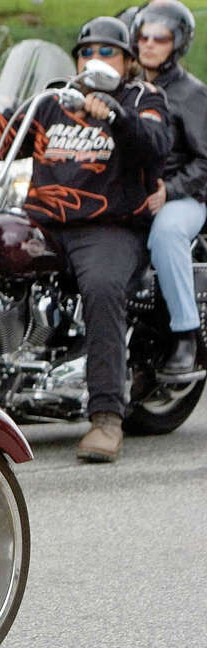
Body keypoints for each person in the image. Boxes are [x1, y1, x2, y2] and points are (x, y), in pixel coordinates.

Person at [0, 16, 171, 462]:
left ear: (126, 61)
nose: (94, 60)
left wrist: (116, 117)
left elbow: (156, 145)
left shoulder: (141, 98)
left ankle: (106, 417)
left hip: (108, 226)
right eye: (87, 51)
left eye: (107, 53)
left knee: (102, 288)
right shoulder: (52, 102)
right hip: (46, 223)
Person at [131, 0, 206, 381]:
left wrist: (170, 191)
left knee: (167, 231)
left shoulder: (191, 94)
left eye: (159, 37)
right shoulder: (129, 88)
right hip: (135, 194)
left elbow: (205, 161)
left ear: (177, 43)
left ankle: (185, 335)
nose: (148, 44)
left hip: (185, 198)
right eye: (143, 35)